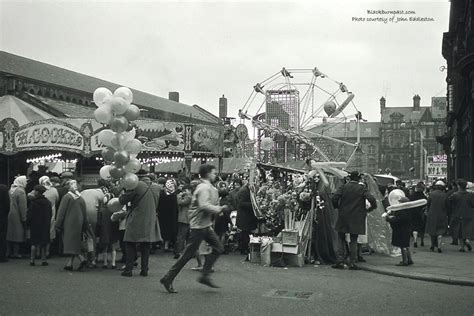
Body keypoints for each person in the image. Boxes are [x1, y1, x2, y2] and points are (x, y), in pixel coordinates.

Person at [160, 164, 229, 294]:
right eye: (214, 173)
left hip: (205, 225)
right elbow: (203, 205)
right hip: (199, 226)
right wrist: (219, 209)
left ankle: (204, 274)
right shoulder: (203, 188)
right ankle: (168, 278)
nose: (215, 175)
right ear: (208, 173)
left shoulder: (208, 187)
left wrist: (217, 209)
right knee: (187, 255)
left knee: (218, 248)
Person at [331, 171, 376, 270]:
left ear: (350, 178)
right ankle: (352, 262)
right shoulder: (362, 188)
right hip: (356, 217)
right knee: (354, 239)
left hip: (343, 215)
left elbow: (334, 198)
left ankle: (340, 260)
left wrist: (337, 206)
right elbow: (371, 198)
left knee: (341, 237)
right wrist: (371, 208)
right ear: (359, 179)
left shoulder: (344, 187)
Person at [118, 176, 161, 277]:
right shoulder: (157, 187)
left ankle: (128, 270)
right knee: (146, 245)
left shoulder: (136, 185)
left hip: (136, 218)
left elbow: (122, 200)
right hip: (151, 219)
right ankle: (144, 269)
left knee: (130, 243)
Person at [55, 179, 89, 271]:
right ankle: (69, 264)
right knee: (74, 243)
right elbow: (85, 213)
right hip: (79, 223)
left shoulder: (67, 197)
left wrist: (57, 224)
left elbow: (61, 212)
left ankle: (82, 259)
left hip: (69, 224)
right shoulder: (80, 197)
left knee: (70, 244)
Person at [27, 185, 52, 266]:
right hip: (45, 224)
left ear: (37, 192)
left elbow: (29, 215)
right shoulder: (48, 202)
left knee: (34, 243)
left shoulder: (33, 202)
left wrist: (28, 223)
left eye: (35, 191)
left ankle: (32, 260)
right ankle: (44, 260)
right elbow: (50, 214)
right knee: (43, 243)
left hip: (35, 224)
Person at [448, 179, 474, 252]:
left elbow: (449, 202)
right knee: (467, 229)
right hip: (468, 214)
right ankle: (467, 240)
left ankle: (462, 247)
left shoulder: (455, 195)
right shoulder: (470, 195)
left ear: (459, 186)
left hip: (457, 214)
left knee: (459, 231)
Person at [97, 191, 120, 268]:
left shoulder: (102, 211)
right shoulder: (115, 210)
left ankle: (105, 263)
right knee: (113, 246)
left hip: (104, 230)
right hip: (113, 229)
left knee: (105, 247)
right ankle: (113, 263)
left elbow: (99, 222)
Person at [6, 176, 28, 259]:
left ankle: (8, 252)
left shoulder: (11, 189)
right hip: (17, 215)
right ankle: (16, 252)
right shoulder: (21, 191)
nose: (26, 182)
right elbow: (23, 206)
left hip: (9, 214)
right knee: (17, 234)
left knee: (9, 233)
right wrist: (24, 218)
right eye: (25, 181)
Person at [38, 176, 59, 257]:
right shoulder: (54, 190)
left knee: (40, 231)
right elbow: (57, 200)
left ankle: (39, 252)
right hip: (51, 213)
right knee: (50, 232)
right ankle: (47, 251)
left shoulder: (38, 190)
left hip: (39, 213)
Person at [425, 180, 449, 253]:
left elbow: (428, 204)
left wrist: (427, 211)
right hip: (442, 214)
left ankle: (432, 245)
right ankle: (439, 246)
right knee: (440, 231)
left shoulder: (431, 194)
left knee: (432, 231)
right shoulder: (445, 195)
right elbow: (447, 206)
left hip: (432, 214)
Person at [236, 180, 257, 257]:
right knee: (245, 233)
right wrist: (253, 205)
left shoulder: (246, 190)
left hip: (245, 216)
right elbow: (241, 203)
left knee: (246, 232)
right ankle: (243, 248)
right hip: (244, 216)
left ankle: (244, 248)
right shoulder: (244, 191)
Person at [158, 179, 179, 254]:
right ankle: (167, 245)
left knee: (163, 228)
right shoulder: (174, 194)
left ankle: (163, 244)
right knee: (170, 229)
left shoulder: (161, 193)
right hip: (171, 214)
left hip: (162, 214)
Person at [175, 185, 192, 258]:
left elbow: (180, 203)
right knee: (185, 236)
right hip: (185, 218)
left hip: (185, 218)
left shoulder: (189, 197)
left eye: (185, 190)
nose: (183, 192)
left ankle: (179, 252)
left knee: (181, 236)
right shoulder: (189, 196)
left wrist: (179, 196)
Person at [409, 182, 427, 248]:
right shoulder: (424, 197)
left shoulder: (412, 196)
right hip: (421, 214)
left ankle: (415, 241)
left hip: (413, 213)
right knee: (422, 228)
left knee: (415, 228)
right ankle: (422, 241)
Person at [0, 184, 10, 262]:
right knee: (2, 236)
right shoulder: (4, 190)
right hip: (2, 217)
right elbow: (7, 206)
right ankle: (2, 256)